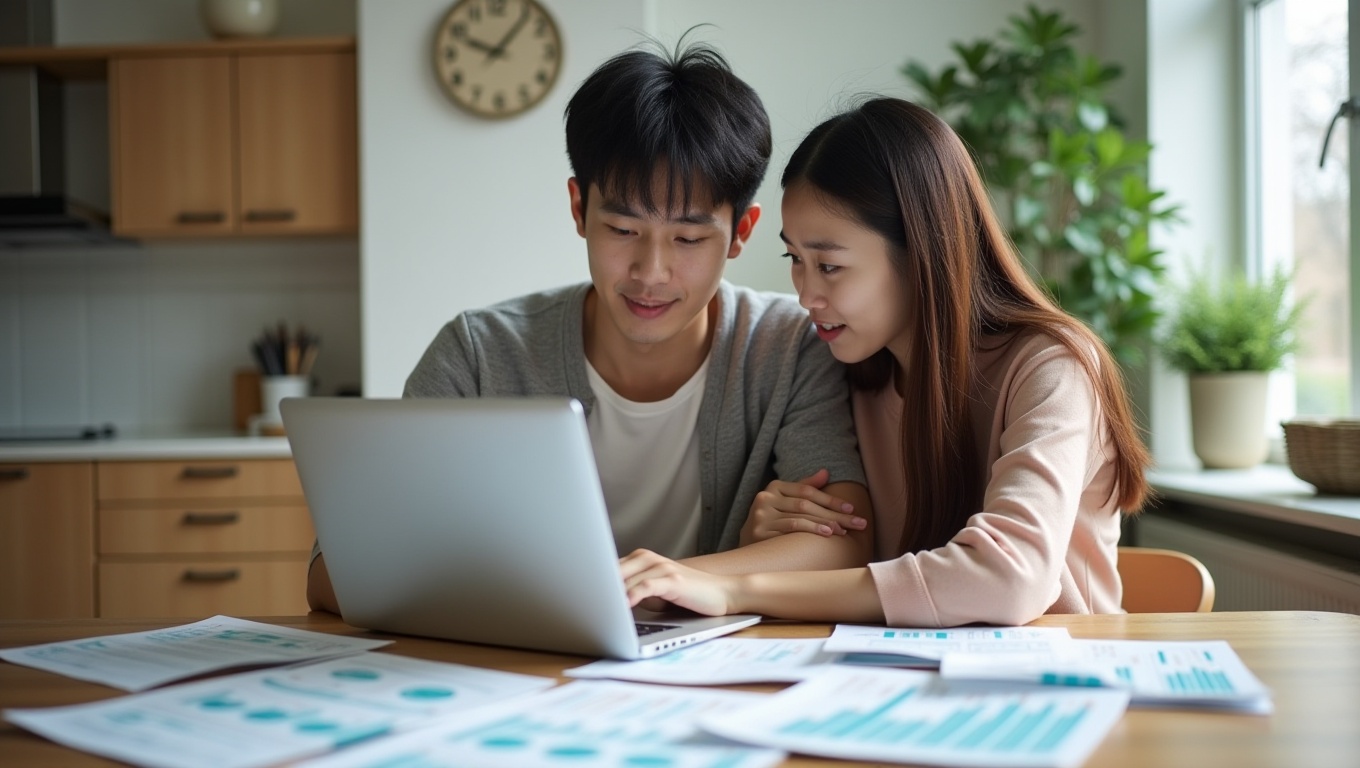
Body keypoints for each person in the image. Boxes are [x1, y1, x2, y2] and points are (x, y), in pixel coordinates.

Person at [306, 41, 873, 613]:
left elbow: (844, 542)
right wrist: (612, 592)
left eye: (689, 238)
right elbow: (334, 571)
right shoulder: (479, 353)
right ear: (579, 209)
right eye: (623, 229)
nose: (651, 272)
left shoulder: (788, 347)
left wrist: (678, 579)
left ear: (742, 232)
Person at [620, 98, 1151, 627]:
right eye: (796, 261)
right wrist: (773, 537)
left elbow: (1009, 577)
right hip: (898, 684)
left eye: (830, 265)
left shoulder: (1051, 369)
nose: (805, 294)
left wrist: (739, 588)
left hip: (1065, 685)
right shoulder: (849, 373)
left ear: (921, 252)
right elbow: (842, 551)